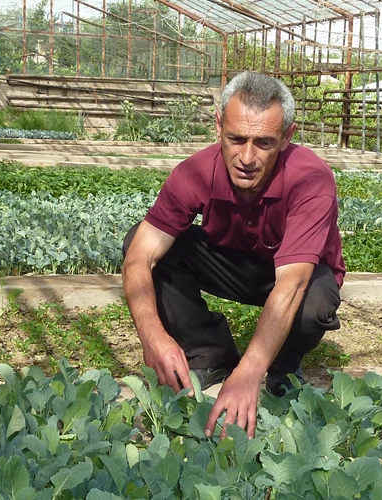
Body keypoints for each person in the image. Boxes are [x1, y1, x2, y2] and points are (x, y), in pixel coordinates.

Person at [121, 71, 344, 439]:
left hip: (292, 272)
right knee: (140, 243)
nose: (247, 157)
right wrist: (152, 337)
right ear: (219, 125)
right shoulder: (195, 172)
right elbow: (139, 257)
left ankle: (283, 367)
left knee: (314, 301)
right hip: (232, 263)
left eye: (264, 143)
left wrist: (251, 372)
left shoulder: (311, 179)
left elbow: (291, 284)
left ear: (287, 137)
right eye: (236, 138)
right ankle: (211, 356)